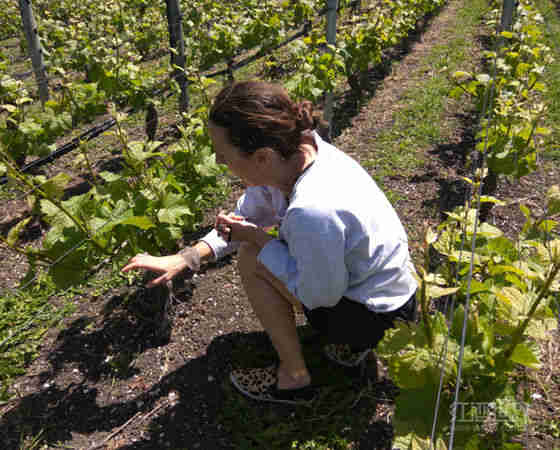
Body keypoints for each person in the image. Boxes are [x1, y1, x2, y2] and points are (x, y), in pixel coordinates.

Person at [121, 80, 417, 405]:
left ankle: (295, 378)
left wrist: (258, 239)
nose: (219, 162)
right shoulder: (298, 153)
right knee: (259, 248)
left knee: (252, 256)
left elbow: (318, 296)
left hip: (380, 316)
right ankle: (350, 346)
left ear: (261, 156)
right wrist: (187, 257)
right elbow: (246, 214)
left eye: (223, 154)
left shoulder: (313, 209)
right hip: (383, 290)